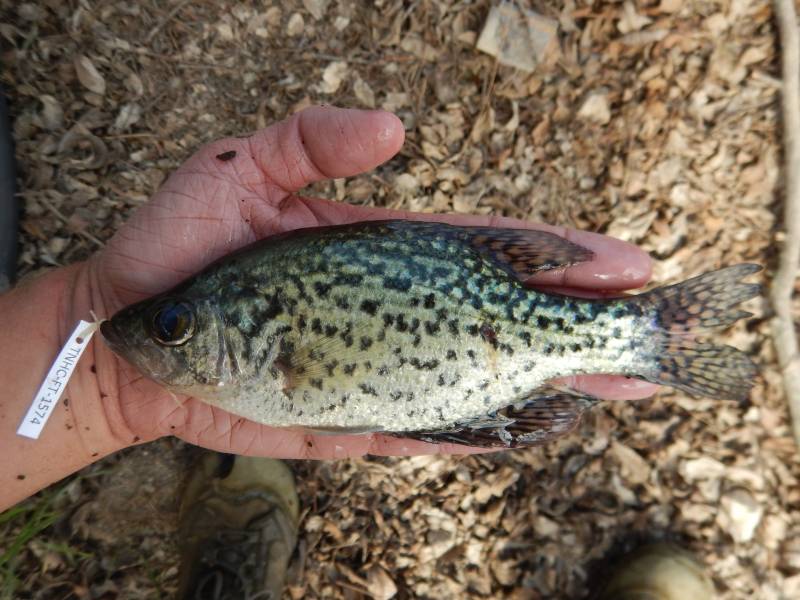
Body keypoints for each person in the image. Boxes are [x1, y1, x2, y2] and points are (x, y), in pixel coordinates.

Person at [1, 106, 678, 597]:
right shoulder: (238, 318)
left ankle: (644, 336)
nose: (148, 335)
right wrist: (91, 356)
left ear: (250, 326)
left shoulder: (255, 331)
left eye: (174, 325)